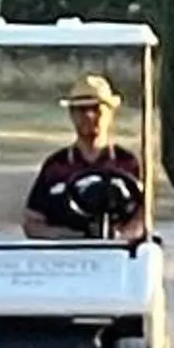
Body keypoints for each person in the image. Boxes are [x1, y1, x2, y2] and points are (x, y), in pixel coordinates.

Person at [27, 72, 145, 235]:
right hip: (70, 252)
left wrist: (122, 236)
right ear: (72, 115)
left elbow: (142, 216)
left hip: (116, 249)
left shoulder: (127, 163)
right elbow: (33, 221)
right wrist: (67, 237)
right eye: (82, 110)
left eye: (96, 109)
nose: (89, 116)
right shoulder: (56, 166)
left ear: (110, 114)